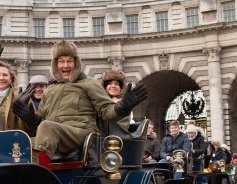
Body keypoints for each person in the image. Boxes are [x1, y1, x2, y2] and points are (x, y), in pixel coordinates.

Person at [11, 40, 147, 165]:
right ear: (55, 64)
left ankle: (36, 177)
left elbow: (107, 111)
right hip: (54, 136)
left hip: (80, 133)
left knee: (47, 127)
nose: (65, 65)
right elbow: (41, 126)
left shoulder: (89, 83)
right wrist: (31, 118)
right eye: (61, 61)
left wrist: (123, 107)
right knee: (16, 143)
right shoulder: (49, 90)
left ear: (76, 63)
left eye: (70, 61)